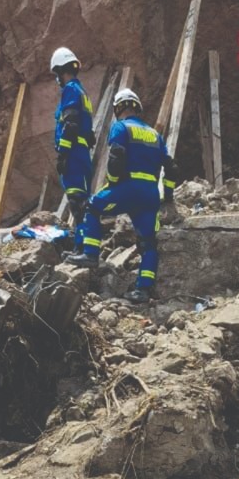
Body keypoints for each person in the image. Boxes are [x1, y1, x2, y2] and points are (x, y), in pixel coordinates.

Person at [67, 88, 179, 303]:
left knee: (91, 207)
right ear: (137, 107)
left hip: (127, 187)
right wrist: (169, 196)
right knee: (148, 243)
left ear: (118, 108)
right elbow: (171, 167)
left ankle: (90, 253)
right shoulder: (155, 134)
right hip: (150, 194)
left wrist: (114, 183)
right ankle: (143, 291)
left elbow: (116, 157)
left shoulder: (120, 127)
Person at [50, 46, 94, 247]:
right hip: (82, 153)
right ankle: (85, 244)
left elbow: (70, 123)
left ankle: (83, 247)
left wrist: (64, 154)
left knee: (77, 202)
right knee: (83, 201)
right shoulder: (82, 92)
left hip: (74, 153)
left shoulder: (69, 90)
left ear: (60, 71)